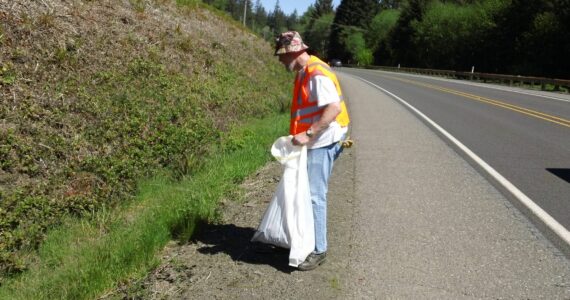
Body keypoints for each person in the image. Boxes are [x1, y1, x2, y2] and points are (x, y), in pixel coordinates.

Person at [274, 31, 350, 271]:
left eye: (282, 56)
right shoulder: (304, 73)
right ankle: (307, 239)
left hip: (324, 140)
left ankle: (319, 249)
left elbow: (333, 108)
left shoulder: (316, 73)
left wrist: (308, 134)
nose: (280, 60)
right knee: (309, 193)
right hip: (316, 140)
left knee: (316, 195)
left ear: (294, 52)